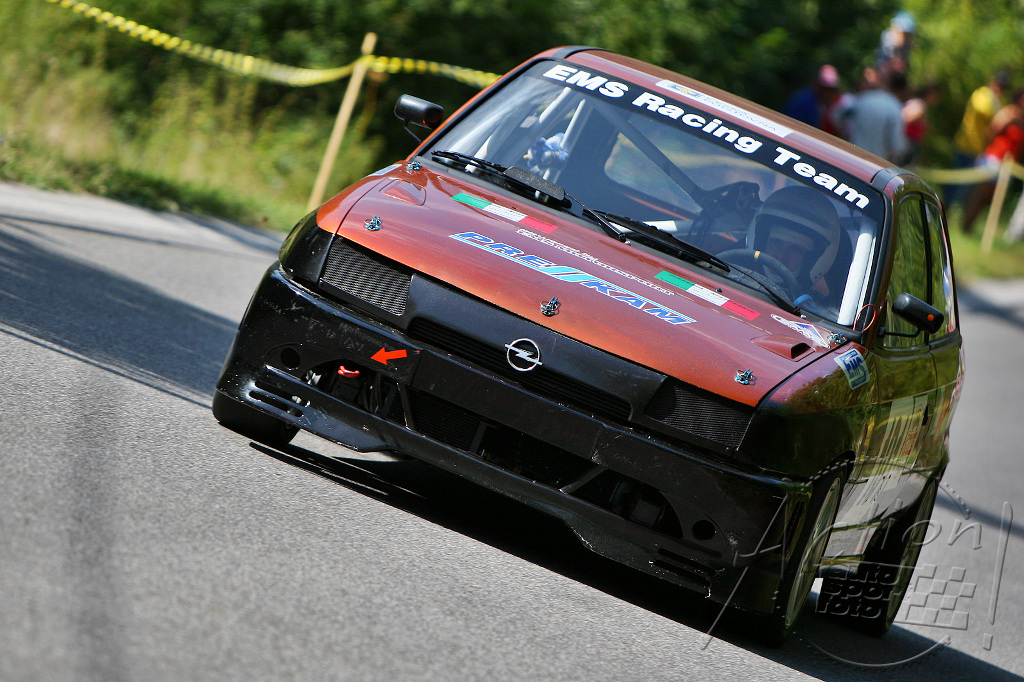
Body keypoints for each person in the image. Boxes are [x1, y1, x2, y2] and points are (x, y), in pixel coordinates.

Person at [747, 185, 844, 311]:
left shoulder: (817, 313)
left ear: (811, 260)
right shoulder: (728, 272)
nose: (781, 255)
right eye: (776, 242)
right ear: (762, 241)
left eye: (795, 249)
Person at [962, 90, 1024, 234]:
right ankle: (966, 224)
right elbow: (991, 131)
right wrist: (983, 152)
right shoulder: (1009, 113)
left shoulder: (1021, 119)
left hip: (1007, 165)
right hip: (994, 158)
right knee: (980, 193)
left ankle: (971, 226)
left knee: (990, 198)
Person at [949, 71, 1010, 204]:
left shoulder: (997, 101)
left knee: (964, 187)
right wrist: (1000, 116)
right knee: (956, 184)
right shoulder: (982, 94)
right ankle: (944, 207)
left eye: (1003, 86)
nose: (1000, 88)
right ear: (993, 81)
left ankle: (950, 209)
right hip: (966, 145)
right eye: (999, 84)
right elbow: (983, 110)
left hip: (977, 150)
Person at [845, 70, 911, 164]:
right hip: (877, 164)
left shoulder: (863, 99)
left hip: (851, 158)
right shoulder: (895, 107)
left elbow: (842, 120)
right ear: (903, 89)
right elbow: (896, 146)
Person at [783, 65, 842, 131]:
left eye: (831, 90)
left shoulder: (823, 105)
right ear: (818, 86)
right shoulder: (803, 102)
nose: (828, 93)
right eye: (825, 89)